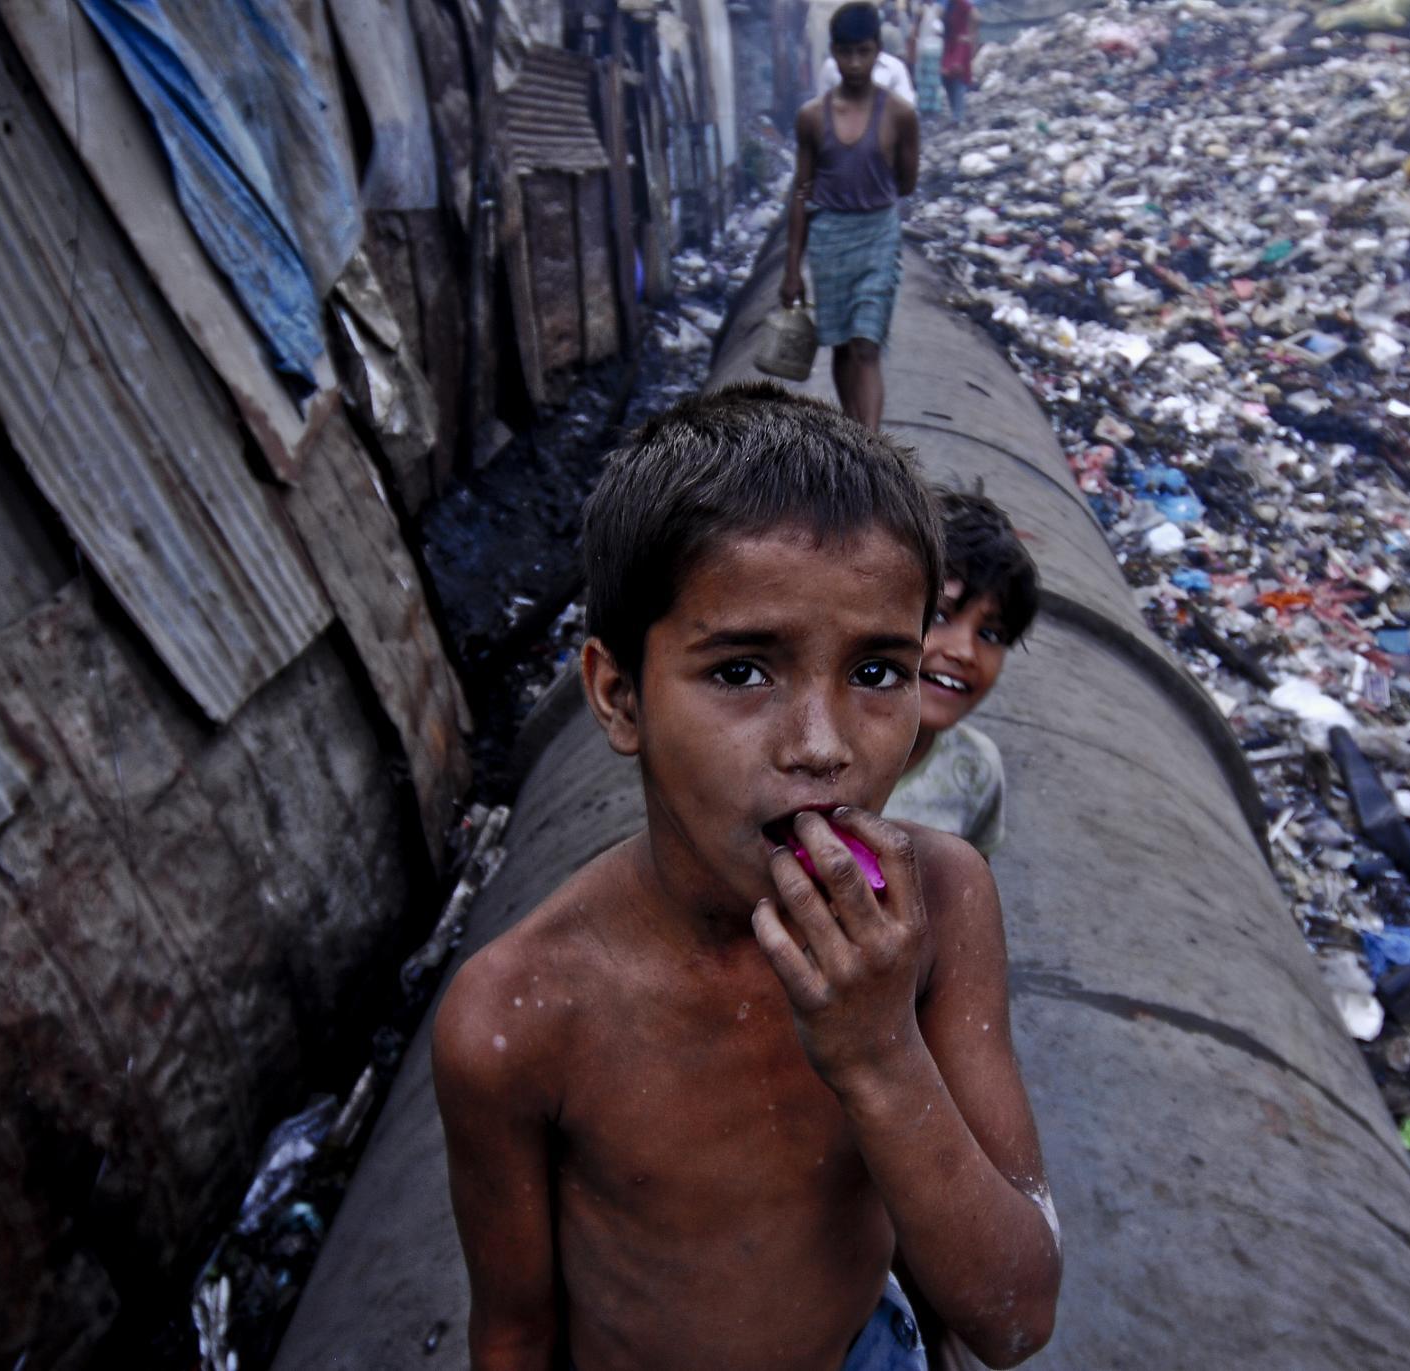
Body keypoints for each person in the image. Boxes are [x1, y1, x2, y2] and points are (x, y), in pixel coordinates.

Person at [432, 384, 1061, 1371]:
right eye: (739, 672)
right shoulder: (522, 1013)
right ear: (617, 695)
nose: (820, 747)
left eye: (874, 673)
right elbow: (512, 1336)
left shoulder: (941, 903)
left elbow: (1014, 1314)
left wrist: (878, 1055)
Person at [785, 3, 920, 430]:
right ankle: (853, 430)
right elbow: (801, 192)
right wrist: (791, 270)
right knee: (842, 344)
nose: (855, 63)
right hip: (829, 240)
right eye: (846, 53)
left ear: (878, 51)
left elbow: (907, 182)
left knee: (866, 343)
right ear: (833, 53)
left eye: (864, 52)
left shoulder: (900, 115)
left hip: (878, 234)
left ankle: (871, 443)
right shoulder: (811, 118)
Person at [885, 488, 1038, 859]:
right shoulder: (806, 741)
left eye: (990, 635)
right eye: (939, 616)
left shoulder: (975, 772)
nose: (964, 652)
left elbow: (968, 884)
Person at [939, 0, 977, 121]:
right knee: (947, 79)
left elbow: (976, 16)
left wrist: (970, 36)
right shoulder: (948, 5)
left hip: (959, 46)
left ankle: (958, 117)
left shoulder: (961, 3)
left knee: (958, 78)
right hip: (948, 46)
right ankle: (955, 113)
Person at [911, 0, 946, 120]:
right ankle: (930, 108)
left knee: (929, 79)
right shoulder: (931, 10)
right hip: (931, 47)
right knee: (930, 79)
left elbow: (915, 32)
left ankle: (929, 108)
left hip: (929, 48)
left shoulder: (929, 10)